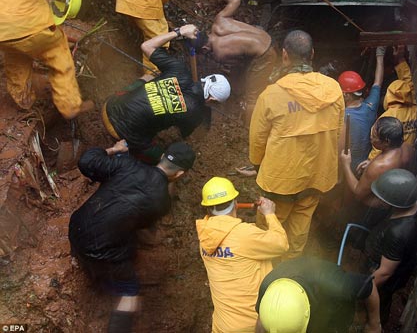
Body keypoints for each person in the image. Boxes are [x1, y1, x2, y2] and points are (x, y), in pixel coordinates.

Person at [69, 140, 196, 333]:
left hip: (76, 228)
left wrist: (114, 149)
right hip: (99, 252)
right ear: (180, 174)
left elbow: (86, 161)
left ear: (161, 156)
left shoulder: (126, 164)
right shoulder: (162, 203)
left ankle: (93, 273)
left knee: (126, 244)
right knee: (130, 292)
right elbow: (142, 224)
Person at [249, 30, 344, 260]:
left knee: (270, 222)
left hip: (280, 179)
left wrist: (257, 164)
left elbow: (257, 140)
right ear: (312, 54)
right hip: (317, 176)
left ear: (284, 56)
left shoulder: (271, 96)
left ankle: (264, 262)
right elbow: (339, 133)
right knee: (301, 224)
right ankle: (290, 264)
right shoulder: (334, 90)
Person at [102, 24, 230, 164]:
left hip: (109, 105)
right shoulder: (195, 114)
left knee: (151, 77)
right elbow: (181, 135)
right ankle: (130, 153)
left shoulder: (180, 70)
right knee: (168, 162)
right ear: (212, 99)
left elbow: (146, 46)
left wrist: (178, 32)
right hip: (121, 132)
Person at [0, 0, 93, 120]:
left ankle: (22, 98)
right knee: (56, 48)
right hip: (23, 14)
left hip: (3, 31)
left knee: (14, 49)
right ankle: (69, 105)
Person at [196, 177, 289, 333]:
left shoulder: (205, 235)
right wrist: (270, 215)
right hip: (252, 324)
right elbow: (281, 244)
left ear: (208, 209)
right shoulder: (245, 235)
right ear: (235, 203)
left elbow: (238, 242)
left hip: (222, 324)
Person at [363, 169, 417, 324]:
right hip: (405, 258)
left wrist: (365, 288)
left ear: (395, 201)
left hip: (388, 271)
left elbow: (385, 272)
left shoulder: (397, 232)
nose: (380, 200)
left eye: (382, 198)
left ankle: (376, 323)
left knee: (381, 298)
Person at [199, 0, 279, 123]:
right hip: (266, 37)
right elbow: (236, 0)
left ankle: (248, 128)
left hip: (266, 54)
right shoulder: (220, 20)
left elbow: (238, 63)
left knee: (252, 96)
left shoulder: (219, 52)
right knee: (239, 70)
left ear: (205, 49)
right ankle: (237, 92)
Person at [255, 256, 381, 333]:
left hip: (329, 299)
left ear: (307, 312)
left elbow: (369, 286)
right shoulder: (268, 289)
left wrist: (374, 325)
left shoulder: (335, 285)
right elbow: (261, 323)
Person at [341, 117, 414, 208]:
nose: (371, 137)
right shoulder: (407, 147)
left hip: (380, 204)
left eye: (374, 136)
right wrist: (371, 162)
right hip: (395, 193)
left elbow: (357, 191)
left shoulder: (379, 166)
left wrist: (346, 165)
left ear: (387, 142)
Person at [338, 46, 384, 174]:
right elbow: (377, 83)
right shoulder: (371, 105)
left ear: (346, 95)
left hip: (350, 166)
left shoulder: (343, 116)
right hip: (368, 162)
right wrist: (380, 55)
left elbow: (340, 147)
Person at [368, 46, 417, 161]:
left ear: (388, 95)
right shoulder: (415, 108)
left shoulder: (386, 117)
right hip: (409, 156)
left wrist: (370, 161)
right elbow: (408, 81)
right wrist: (400, 59)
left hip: (390, 160)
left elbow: (378, 142)